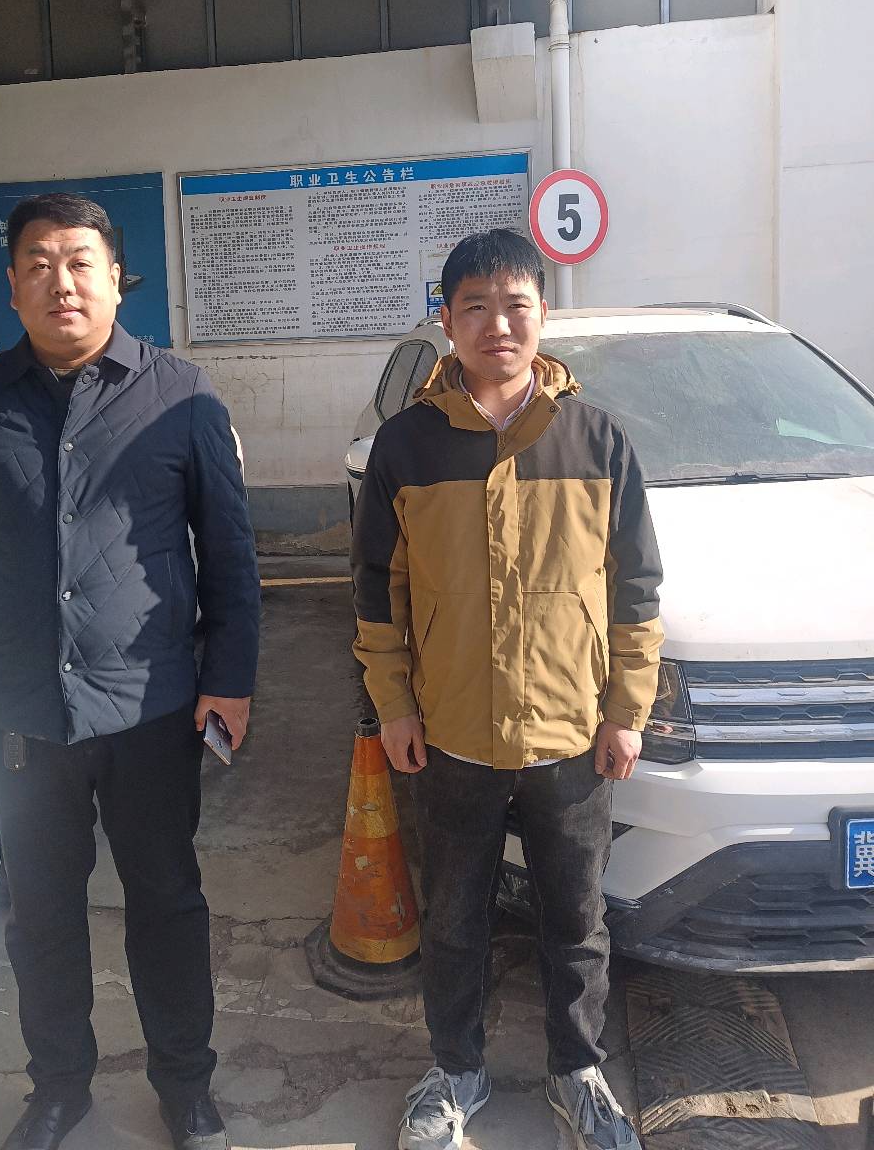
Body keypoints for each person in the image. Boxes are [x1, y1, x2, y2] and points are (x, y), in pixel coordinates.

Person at [0, 192, 259, 1150]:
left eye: (78, 262)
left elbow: (228, 550)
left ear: (115, 278)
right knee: (41, 914)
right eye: (38, 264)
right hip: (18, 711)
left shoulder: (181, 394)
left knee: (167, 903)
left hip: (152, 708)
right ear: (12, 286)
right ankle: (58, 1089)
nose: (59, 282)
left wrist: (231, 679)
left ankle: (185, 1086)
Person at [351, 229, 663, 1150]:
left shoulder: (597, 440)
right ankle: (456, 1070)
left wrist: (626, 712)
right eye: (475, 307)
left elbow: (636, 589)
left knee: (577, 919)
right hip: (452, 735)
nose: (498, 325)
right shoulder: (407, 445)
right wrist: (395, 705)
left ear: (542, 316)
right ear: (447, 321)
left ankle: (578, 1071)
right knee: (454, 918)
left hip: (572, 735)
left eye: (515, 305)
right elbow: (377, 591)